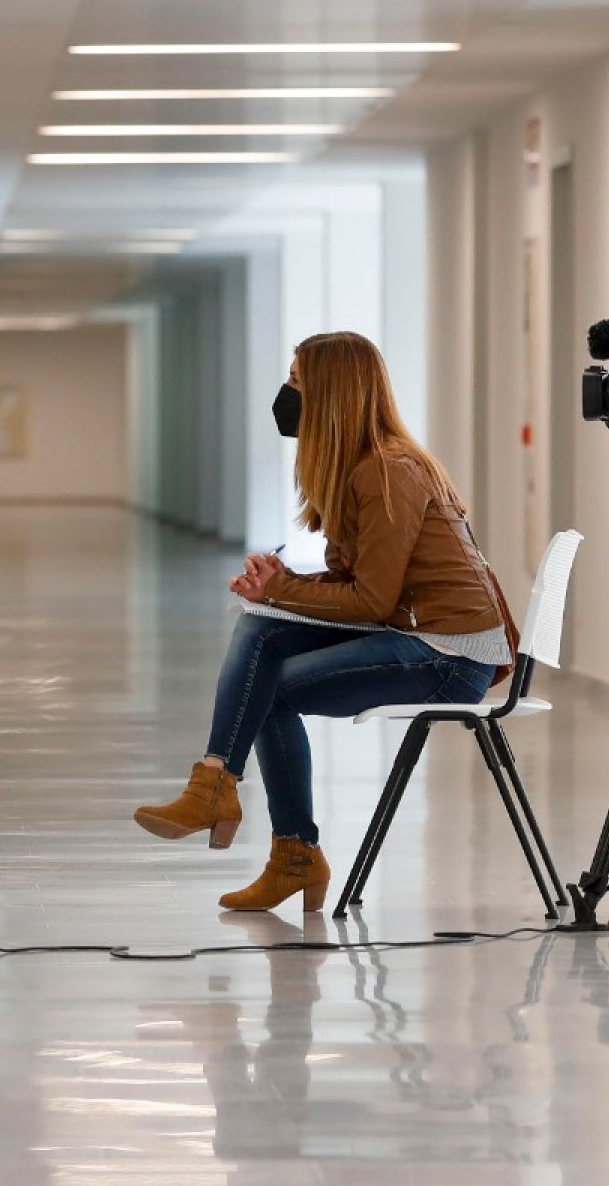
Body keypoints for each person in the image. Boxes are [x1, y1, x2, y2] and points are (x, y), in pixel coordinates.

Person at [133, 332, 520, 913]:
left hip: (452, 655)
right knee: (259, 631)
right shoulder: (361, 466)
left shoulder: (389, 472)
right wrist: (276, 591)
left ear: (332, 395)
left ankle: (285, 847)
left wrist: (282, 588)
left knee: (271, 692)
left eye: (296, 382)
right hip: (411, 629)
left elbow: (370, 601)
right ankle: (214, 784)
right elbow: (363, 589)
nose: (286, 394)